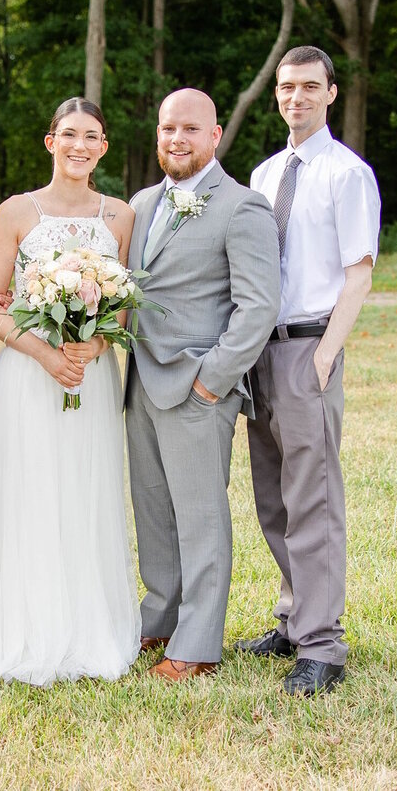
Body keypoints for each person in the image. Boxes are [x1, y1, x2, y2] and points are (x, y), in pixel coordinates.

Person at [0, 97, 142, 687]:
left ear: (103, 148)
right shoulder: (17, 212)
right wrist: (45, 354)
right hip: (26, 377)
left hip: (88, 380)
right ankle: (17, 624)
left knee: (82, 492)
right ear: (51, 143)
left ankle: (83, 625)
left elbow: (124, 309)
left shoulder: (120, 216)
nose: (79, 146)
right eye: (68, 134)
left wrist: (91, 348)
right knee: (28, 491)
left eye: (91, 136)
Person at [125, 89, 280, 681]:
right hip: (140, 384)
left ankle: (198, 643)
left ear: (215, 136)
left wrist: (213, 381)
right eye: (168, 128)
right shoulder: (141, 202)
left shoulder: (242, 207)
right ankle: (160, 618)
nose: (177, 139)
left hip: (197, 388)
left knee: (200, 516)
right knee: (154, 512)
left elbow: (258, 306)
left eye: (190, 128)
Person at [240, 45, 380, 696]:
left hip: (307, 348)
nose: (295, 96)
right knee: (273, 496)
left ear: (330, 92)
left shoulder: (347, 174)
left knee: (313, 500)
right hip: (260, 349)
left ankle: (323, 648)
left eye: (308, 86)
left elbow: (360, 272)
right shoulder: (264, 175)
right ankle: (294, 620)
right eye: (285, 86)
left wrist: (325, 355)